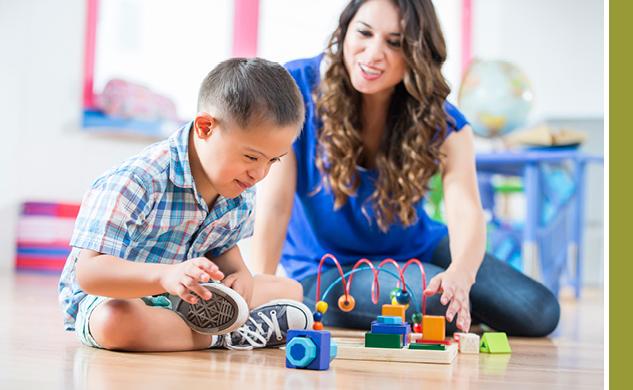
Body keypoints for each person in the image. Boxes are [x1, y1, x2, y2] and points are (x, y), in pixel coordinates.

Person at [248, 0, 559, 336]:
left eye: (394, 43)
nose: (373, 54)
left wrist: (461, 274)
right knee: (438, 305)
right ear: (345, 31)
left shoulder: (443, 120)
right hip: (327, 267)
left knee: (538, 311)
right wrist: (261, 289)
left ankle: (463, 308)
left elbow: (465, 207)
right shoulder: (296, 87)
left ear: (417, 53)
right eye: (364, 33)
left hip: (417, 249)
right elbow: (276, 205)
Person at [58, 58, 312, 351]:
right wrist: (165, 276)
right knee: (116, 322)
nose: (260, 173)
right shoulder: (139, 180)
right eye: (252, 157)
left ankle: (206, 328)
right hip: (118, 298)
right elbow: (89, 274)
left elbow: (223, 247)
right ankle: (226, 336)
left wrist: (241, 275)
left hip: (190, 296)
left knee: (290, 289)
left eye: (273, 161)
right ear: (205, 127)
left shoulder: (240, 187)